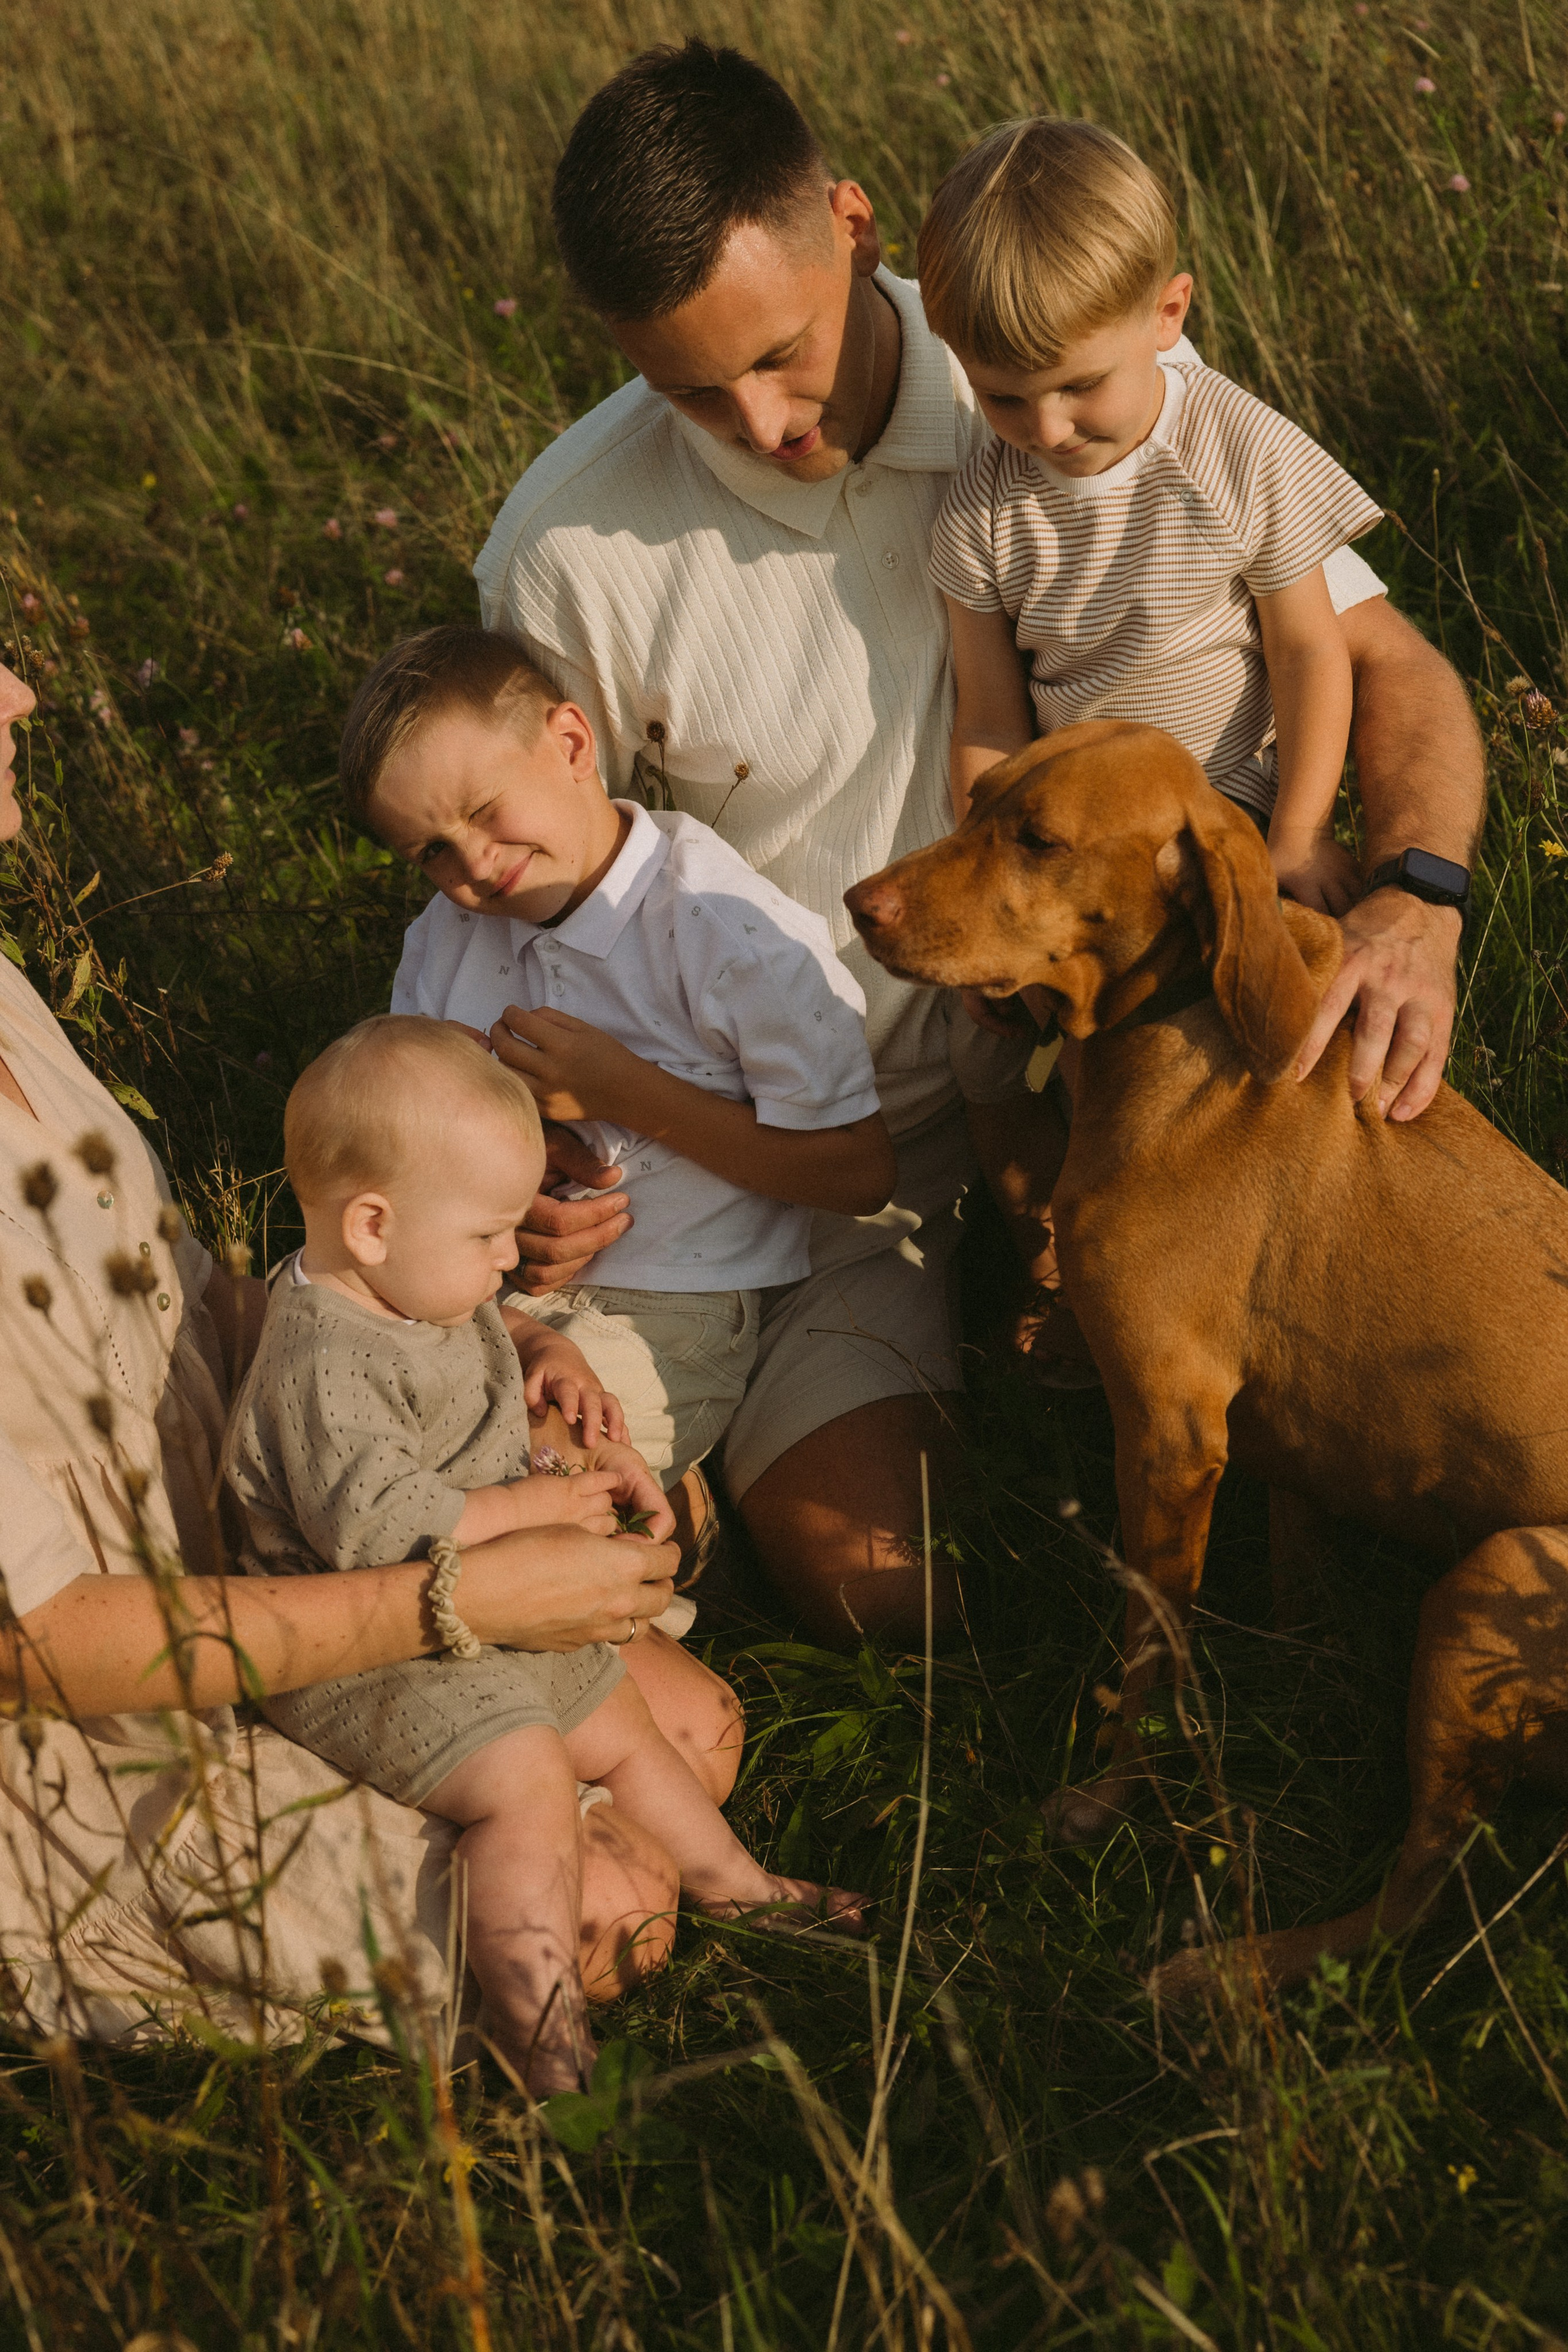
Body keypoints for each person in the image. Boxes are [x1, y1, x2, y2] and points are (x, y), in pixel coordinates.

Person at [475, 40, 1483, 1645]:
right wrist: (518, 1142)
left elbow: (1386, 665)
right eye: (686, 389)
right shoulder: (571, 546)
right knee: (739, 1567)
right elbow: (509, 889)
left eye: (786, 356)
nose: (760, 420)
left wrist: (1417, 892)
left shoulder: (1052, 376)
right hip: (757, 1147)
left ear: (857, 228)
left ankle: (970, 1370)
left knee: (918, 1583)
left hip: (1056, 1094)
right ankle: (712, 1454)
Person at [0, 653, 737, 2048]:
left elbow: (193, 1295)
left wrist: (482, 1330)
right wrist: (460, 1603)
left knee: (689, 1738)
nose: (22, 693)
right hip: (91, 1738)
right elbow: (31, 1648)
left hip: (261, 1553)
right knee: (618, 1896)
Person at [225, 1016, 864, 2089]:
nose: (508, 1259)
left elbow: (470, 1436)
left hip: (458, 1598)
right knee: (523, 1776)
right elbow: (378, 1528)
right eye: (487, 1237)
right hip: (352, 1641)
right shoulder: (327, 1358)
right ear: (373, 1226)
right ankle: (544, 2043)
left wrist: (567, 1465)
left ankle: (739, 1885)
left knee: (613, 1709)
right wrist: (533, 1510)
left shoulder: (425, 1297)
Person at [337, 625, 894, 1545]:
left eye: (484, 810)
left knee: (521, 1482)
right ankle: (660, 1517)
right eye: (432, 851)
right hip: (490, 1294)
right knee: (345, 1430)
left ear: (571, 744)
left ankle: (633, 1588)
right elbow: (400, 1144)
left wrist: (627, 1094)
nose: (472, 866)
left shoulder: (720, 929)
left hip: (670, 1302)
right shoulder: (446, 940)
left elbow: (859, 1173)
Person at [922, 118, 1382, 917]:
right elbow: (992, 718)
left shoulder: (1239, 450)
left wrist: (1301, 832)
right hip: (1083, 850)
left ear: (1168, 314)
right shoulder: (981, 513)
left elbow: (1308, 649)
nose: (1048, 430)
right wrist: (989, 877)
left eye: (1081, 385)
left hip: (1236, 809)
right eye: (1003, 397)